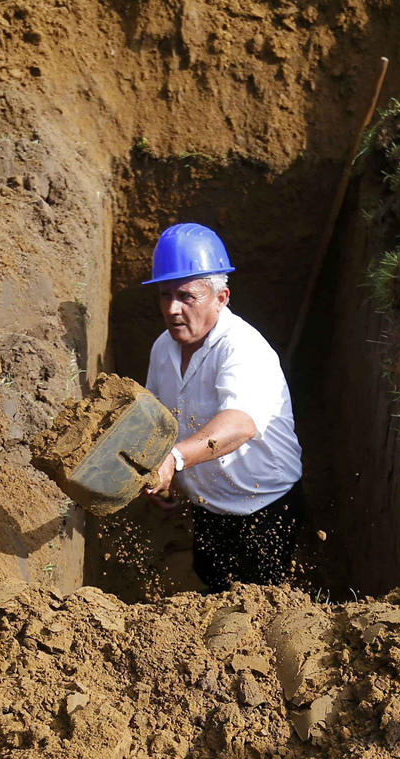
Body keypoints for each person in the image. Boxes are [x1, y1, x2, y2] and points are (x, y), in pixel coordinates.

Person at [141, 222, 304, 592]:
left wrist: (174, 461)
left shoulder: (243, 349)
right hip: (208, 505)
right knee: (213, 586)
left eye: (186, 296)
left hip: (263, 506)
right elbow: (157, 416)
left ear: (221, 297)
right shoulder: (162, 348)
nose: (172, 308)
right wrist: (155, 469)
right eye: (165, 295)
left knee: (261, 607)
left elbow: (240, 423)